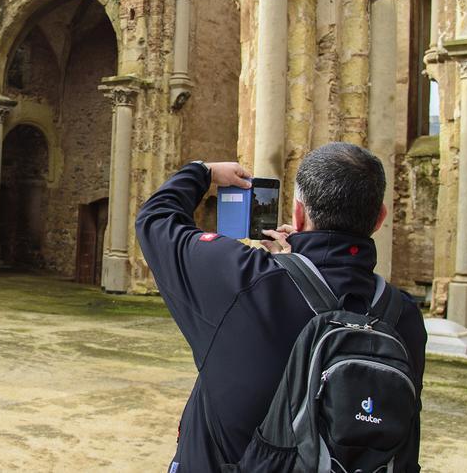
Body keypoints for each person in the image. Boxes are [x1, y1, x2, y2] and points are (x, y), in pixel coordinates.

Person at [136, 142, 427, 473]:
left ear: (299, 214)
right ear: (380, 218)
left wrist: (203, 172)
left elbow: (155, 219)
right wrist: (294, 264)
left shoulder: (245, 282)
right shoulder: (404, 316)